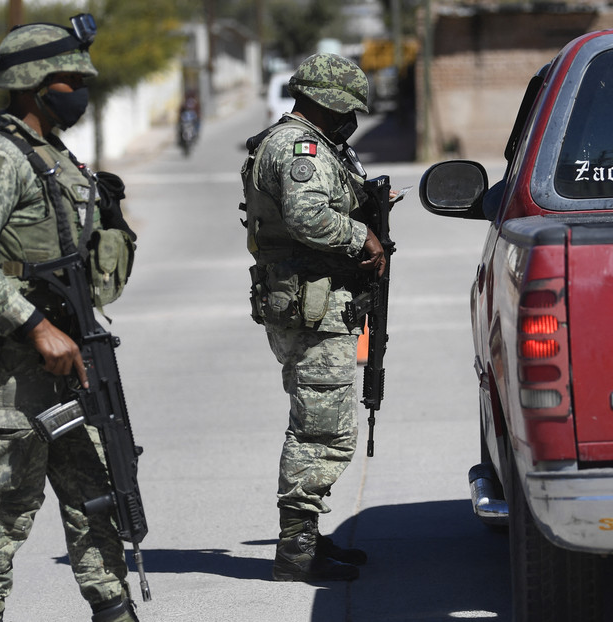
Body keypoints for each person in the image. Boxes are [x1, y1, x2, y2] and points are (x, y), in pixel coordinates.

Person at [0, 14, 139, 622]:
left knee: (96, 492)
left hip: (70, 353)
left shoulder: (52, 154)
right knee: (3, 501)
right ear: (34, 85)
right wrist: (36, 326)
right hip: (12, 361)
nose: (80, 92)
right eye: (70, 80)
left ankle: (113, 608)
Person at [242, 53, 386, 582]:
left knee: (318, 419)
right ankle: (295, 552)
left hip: (314, 301)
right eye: (347, 108)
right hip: (311, 305)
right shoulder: (298, 146)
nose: (351, 118)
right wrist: (360, 236)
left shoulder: (313, 145)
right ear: (323, 102)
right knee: (323, 429)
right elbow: (307, 215)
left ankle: (306, 538)